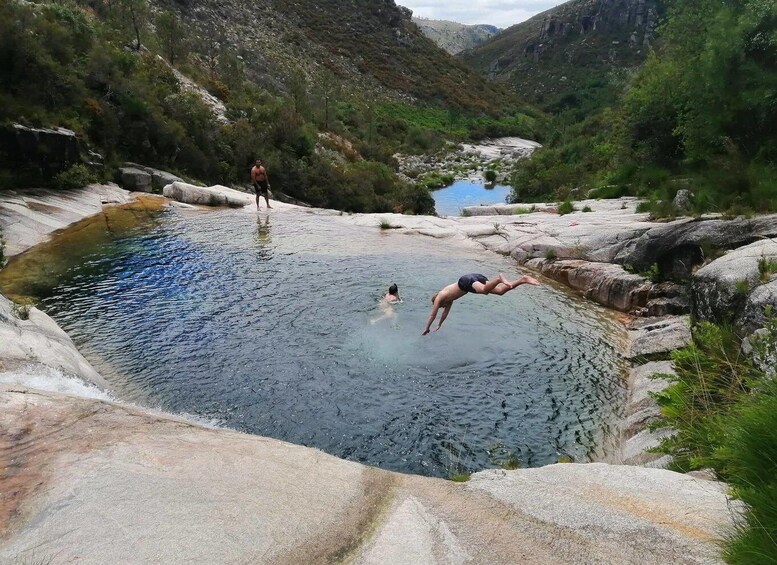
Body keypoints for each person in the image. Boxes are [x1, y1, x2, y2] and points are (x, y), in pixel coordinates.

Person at [422, 273, 540, 335]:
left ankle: (499, 278)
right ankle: (523, 280)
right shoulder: (449, 300)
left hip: (465, 281)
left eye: (440, 305)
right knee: (500, 292)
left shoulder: (440, 296)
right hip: (473, 280)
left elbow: (433, 315)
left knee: (484, 291)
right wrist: (439, 325)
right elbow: (444, 314)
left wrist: (427, 328)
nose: (441, 306)